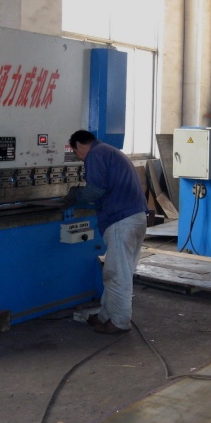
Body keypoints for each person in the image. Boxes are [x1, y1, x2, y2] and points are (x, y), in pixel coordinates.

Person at [64, 130, 148, 334]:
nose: (78, 157)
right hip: (136, 218)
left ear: (79, 145)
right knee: (118, 272)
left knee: (117, 274)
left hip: (121, 221)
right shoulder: (109, 151)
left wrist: (75, 195)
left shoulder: (95, 154)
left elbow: (95, 190)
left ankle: (119, 322)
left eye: (75, 152)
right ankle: (105, 315)